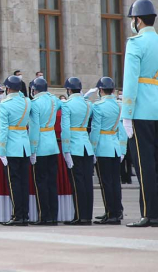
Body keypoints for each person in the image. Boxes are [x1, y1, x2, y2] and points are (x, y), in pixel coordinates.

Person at [122, 0, 158, 228]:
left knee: (144, 163)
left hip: (140, 110)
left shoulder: (135, 44)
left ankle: (150, 213)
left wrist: (127, 112)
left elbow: (130, 81)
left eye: (133, 19)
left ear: (137, 20)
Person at [89, 77, 126, 224]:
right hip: (115, 146)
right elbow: (120, 129)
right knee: (115, 182)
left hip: (103, 147)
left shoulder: (98, 106)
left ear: (101, 90)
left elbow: (96, 129)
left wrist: (92, 148)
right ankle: (116, 211)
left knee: (106, 183)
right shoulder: (119, 105)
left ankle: (111, 214)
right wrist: (122, 148)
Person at [0, 75, 31, 226]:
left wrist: (1, 150)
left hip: (11, 147)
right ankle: (24, 214)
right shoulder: (27, 102)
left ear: (8, 88)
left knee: (14, 183)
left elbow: (3, 129)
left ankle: (17, 215)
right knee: (24, 182)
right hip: (24, 145)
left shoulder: (4, 104)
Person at [60, 77, 94, 226]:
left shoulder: (67, 105)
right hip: (86, 145)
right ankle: (87, 215)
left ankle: (80, 216)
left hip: (74, 146)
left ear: (68, 90)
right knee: (87, 182)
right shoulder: (88, 104)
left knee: (77, 182)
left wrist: (66, 150)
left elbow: (65, 130)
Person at [27, 76, 60, 225]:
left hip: (40, 146)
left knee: (41, 183)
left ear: (34, 90)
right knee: (52, 182)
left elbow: (34, 129)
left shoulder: (35, 104)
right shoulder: (54, 100)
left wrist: (32, 149)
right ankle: (54, 215)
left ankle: (44, 216)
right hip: (52, 144)